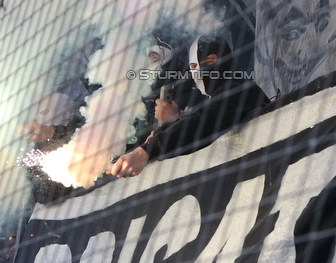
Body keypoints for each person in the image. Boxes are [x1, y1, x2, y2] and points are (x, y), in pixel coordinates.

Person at [108, 36, 269, 178]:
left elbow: (202, 123)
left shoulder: (238, 89)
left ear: (211, 61)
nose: (193, 75)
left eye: (193, 67)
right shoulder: (227, 92)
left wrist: (147, 150)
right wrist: (165, 127)